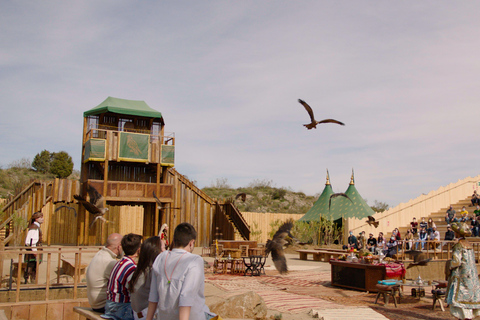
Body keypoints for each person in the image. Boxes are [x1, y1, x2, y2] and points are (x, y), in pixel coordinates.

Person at [146, 222, 214, 320]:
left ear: (174, 240)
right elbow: (186, 296)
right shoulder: (194, 260)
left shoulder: (161, 257)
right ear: (191, 243)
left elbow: (153, 295)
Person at [102, 233, 143, 320]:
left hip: (110, 305)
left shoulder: (120, 263)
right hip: (120, 307)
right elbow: (135, 291)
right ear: (138, 250)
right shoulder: (130, 268)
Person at [446, 222, 480, 319]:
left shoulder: (459, 245)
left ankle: (464, 317)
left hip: (461, 275)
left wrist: (450, 266)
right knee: (469, 297)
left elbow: (457, 261)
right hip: (471, 275)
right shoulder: (469, 245)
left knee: (460, 297)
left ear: (458, 233)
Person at [129, 236, 165, 320]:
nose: (165, 251)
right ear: (155, 251)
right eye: (163, 248)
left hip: (137, 314)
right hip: (146, 315)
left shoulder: (141, 269)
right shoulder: (152, 271)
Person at [86, 233, 123, 313]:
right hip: (102, 305)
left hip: (94, 303)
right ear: (119, 246)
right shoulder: (109, 262)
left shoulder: (100, 254)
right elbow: (124, 282)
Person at [24, 212, 44, 283]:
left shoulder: (35, 227)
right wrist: (34, 251)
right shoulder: (34, 228)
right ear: (36, 219)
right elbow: (31, 241)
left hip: (34, 249)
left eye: (42, 217)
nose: (42, 219)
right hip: (33, 250)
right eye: (40, 217)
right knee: (31, 265)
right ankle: (28, 281)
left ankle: (32, 281)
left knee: (34, 266)